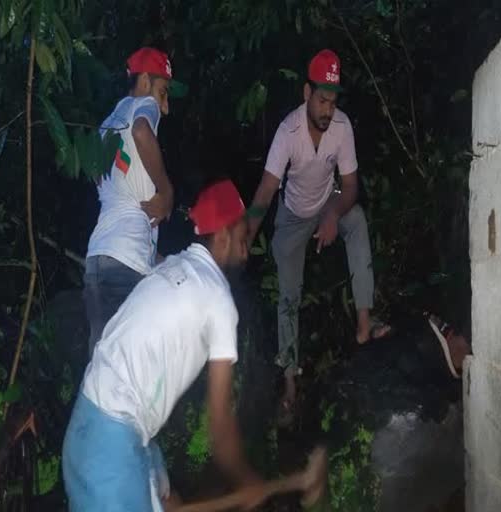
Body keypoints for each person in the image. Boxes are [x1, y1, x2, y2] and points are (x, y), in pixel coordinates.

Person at [63, 179, 266, 511]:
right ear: (224, 237)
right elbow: (220, 424)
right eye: (243, 241)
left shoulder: (171, 266)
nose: (246, 253)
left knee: (170, 501)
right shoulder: (217, 299)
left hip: (99, 430)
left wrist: (162, 491)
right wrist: (248, 481)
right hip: (110, 454)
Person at [245, 49, 391, 417]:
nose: (328, 109)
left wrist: (331, 212)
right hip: (292, 219)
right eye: (322, 100)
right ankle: (291, 381)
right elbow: (265, 190)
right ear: (306, 93)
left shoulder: (341, 127)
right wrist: (244, 238)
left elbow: (351, 186)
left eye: (333, 101)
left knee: (355, 219)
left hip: (329, 204)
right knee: (289, 297)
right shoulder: (287, 132)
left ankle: (363, 323)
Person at [83, 47, 180, 354]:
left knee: (101, 364)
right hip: (125, 263)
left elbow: (98, 178)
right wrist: (166, 191)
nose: (164, 107)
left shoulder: (107, 125)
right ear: (145, 82)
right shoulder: (143, 107)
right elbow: (141, 131)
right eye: (163, 92)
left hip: (96, 259)